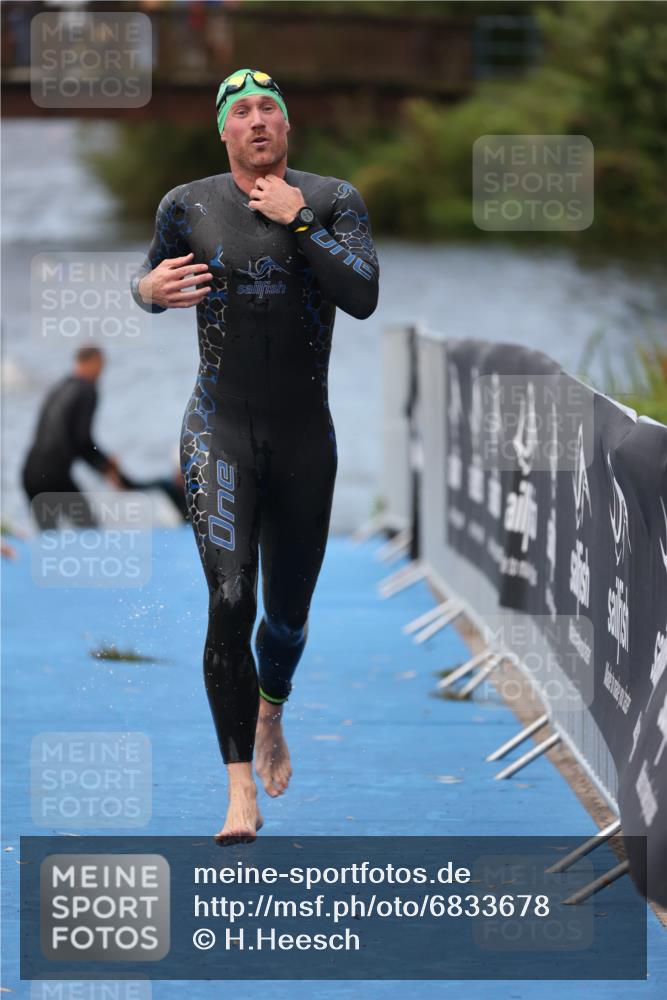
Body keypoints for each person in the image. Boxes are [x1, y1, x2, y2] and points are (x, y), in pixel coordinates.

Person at [130, 67, 379, 844]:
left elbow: (362, 296)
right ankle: (238, 788)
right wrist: (144, 292)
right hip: (218, 429)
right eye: (241, 111)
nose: (258, 119)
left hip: (304, 436)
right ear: (224, 131)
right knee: (230, 597)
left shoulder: (331, 200)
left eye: (270, 107)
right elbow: (149, 279)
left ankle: (271, 710)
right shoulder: (186, 205)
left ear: (286, 127)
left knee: (287, 618)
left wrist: (299, 222)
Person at [21, 346, 124, 530]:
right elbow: (81, 440)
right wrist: (105, 466)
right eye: (101, 366)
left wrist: (103, 466)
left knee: (49, 537)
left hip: (30, 472)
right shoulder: (87, 390)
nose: (101, 373)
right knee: (90, 531)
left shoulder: (59, 387)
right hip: (53, 476)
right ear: (92, 363)